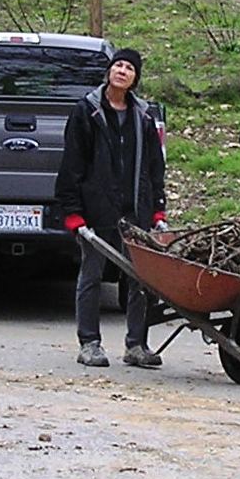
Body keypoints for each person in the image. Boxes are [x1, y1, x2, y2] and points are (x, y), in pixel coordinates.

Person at [55, 48, 167, 368]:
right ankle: (89, 343)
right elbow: (72, 166)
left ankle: (136, 345)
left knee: (140, 278)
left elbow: (154, 167)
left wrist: (157, 208)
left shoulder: (142, 117)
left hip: (134, 211)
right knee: (92, 275)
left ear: (135, 79)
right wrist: (73, 212)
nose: (122, 70)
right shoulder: (87, 112)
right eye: (117, 65)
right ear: (109, 72)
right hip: (95, 211)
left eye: (129, 68)